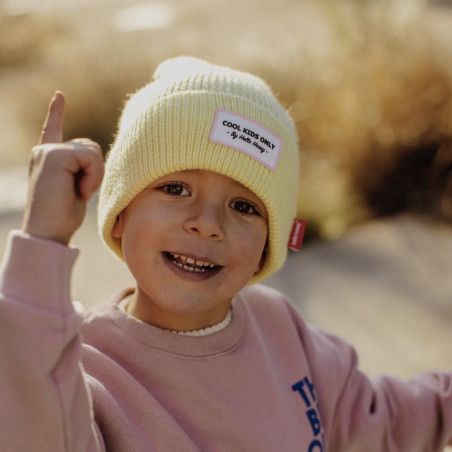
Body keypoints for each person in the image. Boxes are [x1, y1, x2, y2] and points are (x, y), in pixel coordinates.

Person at [0, 56, 451, 452]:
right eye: (175, 188)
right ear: (120, 213)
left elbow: (383, 421)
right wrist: (43, 240)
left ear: (267, 249)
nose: (207, 223)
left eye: (244, 206)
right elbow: (32, 425)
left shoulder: (283, 333)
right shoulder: (81, 373)